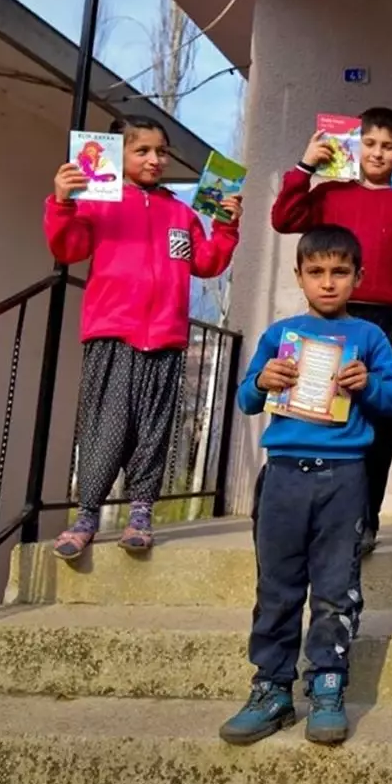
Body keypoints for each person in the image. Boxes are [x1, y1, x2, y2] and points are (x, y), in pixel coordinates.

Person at [219, 224, 392, 747]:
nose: (328, 283)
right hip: (282, 476)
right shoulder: (280, 336)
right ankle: (272, 688)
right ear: (299, 276)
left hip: (344, 478)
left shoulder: (370, 338)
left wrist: (367, 384)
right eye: (317, 272)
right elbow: (245, 399)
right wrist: (262, 381)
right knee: (276, 589)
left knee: (334, 589)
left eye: (340, 272)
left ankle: (328, 685)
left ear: (359, 278)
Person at [46, 115, 241, 558]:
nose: (156, 159)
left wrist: (227, 228)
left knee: (154, 430)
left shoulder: (180, 211)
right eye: (143, 150)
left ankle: (141, 514)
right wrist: (61, 202)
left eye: (162, 151)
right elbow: (68, 248)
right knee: (106, 426)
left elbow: (207, 263)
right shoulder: (96, 202)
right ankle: (87, 515)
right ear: (118, 153)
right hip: (112, 333)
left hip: (167, 339)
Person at [271, 106, 392, 555]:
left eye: (389, 146)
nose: (378, 153)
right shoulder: (330, 192)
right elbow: (284, 219)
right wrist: (304, 166)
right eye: (370, 143)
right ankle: (311, 513)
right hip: (332, 320)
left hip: (388, 323)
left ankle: (364, 522)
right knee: (319, 410)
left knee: (381, 419)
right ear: (355, 145)